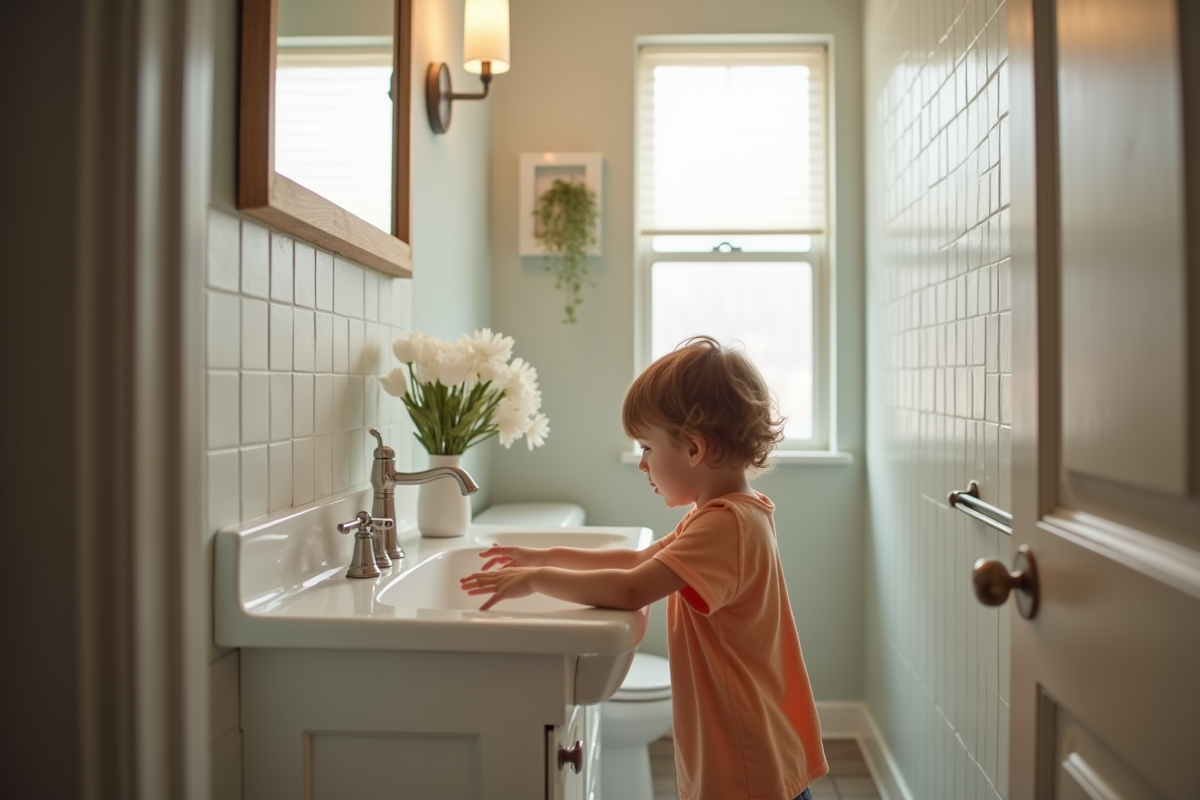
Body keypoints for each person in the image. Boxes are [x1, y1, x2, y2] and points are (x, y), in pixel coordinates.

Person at [459, 336, 827, 800]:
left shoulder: (726, 526)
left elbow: (632, 589)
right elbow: (636, 560)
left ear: (693, 448)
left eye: (647, 448)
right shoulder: (727, 513)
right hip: (749, 743)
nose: (641, 464)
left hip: (745, 755)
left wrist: (536, 580)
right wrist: (546, 555)